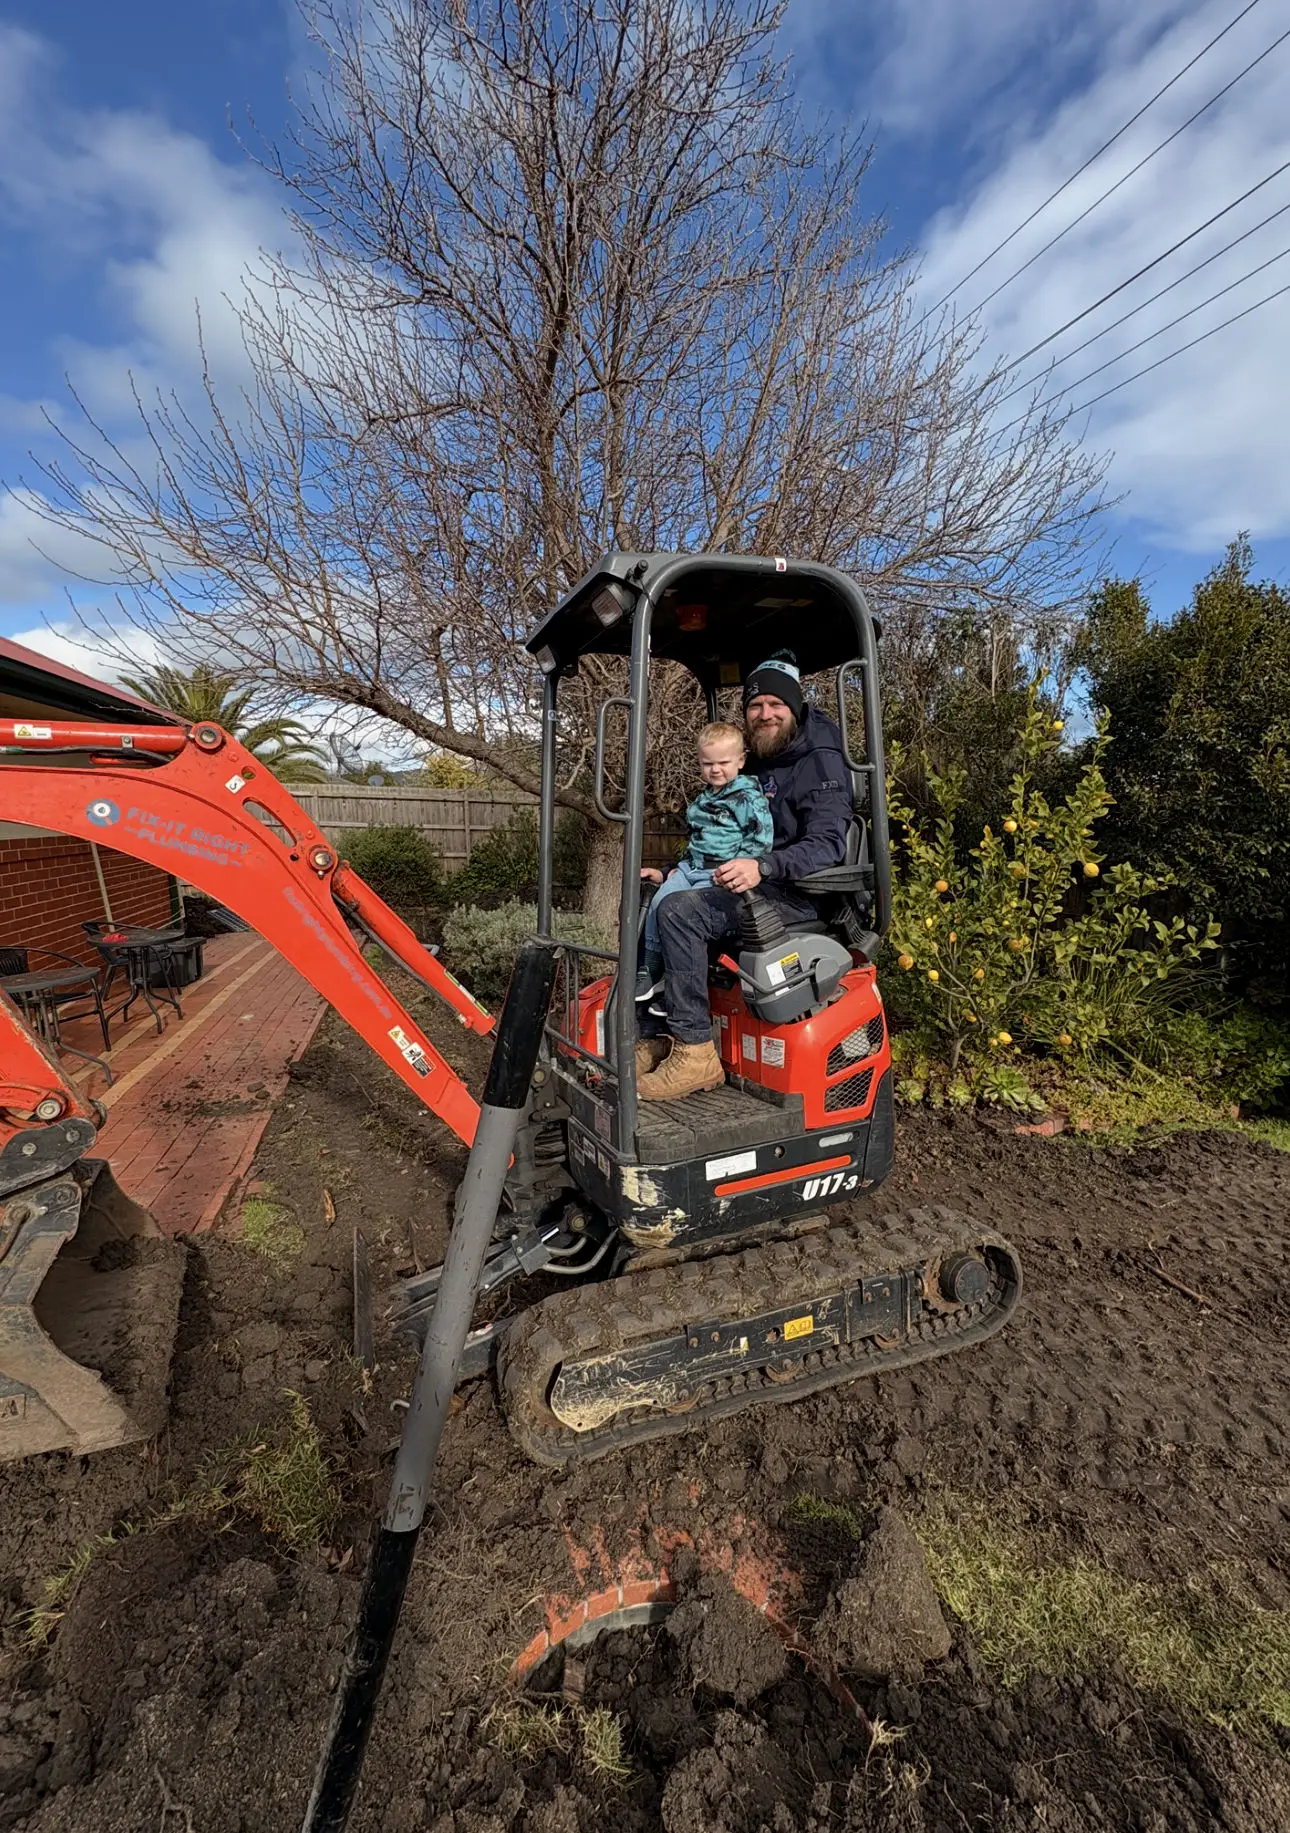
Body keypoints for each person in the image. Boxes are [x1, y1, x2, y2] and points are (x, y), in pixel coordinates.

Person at [637, 651, 853, 1102]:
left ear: (794, 707)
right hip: (747, 883)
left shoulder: (821, 760)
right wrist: (680, 869)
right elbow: (719, 830)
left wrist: (765, 866)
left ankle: (695, 1054)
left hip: (797, 893)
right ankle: (661, 1032)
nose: (765, 713)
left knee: (681, 913)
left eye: (776, 704)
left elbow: (829, 844)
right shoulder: (753, 759)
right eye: (756, 705)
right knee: (654, 898)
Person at [635, 721, 773, 1004]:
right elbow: (697, 842)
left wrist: (741, 866)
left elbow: (761, 838)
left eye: (723, 762)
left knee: (682, 916)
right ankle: (651, 970)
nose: (716, 769)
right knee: (658, 902)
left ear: (741, 761)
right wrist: (668, 871)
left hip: (720, 873)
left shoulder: (747, 797)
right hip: (693, 868)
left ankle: (678, 989)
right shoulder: (702, 800)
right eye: (707, 763)